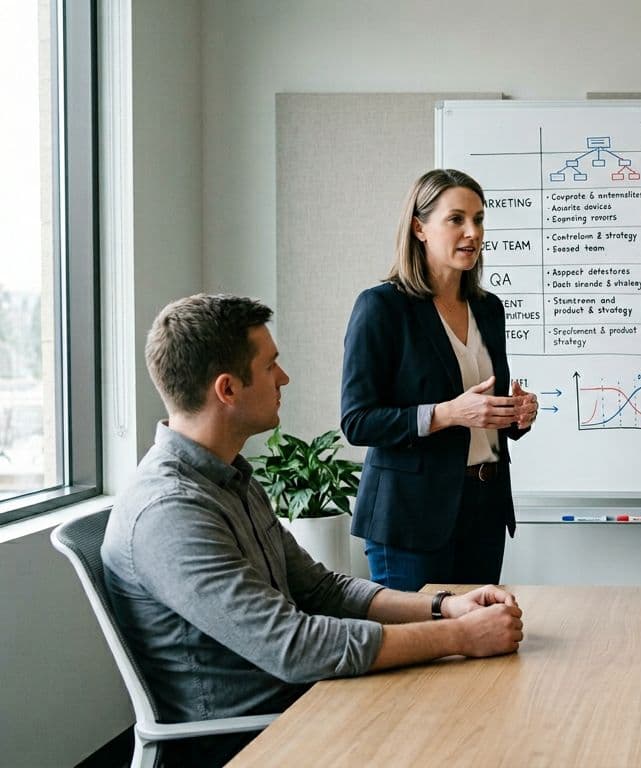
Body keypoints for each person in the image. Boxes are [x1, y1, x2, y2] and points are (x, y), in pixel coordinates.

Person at [103, 294, 524, 767]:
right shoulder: (170, 512)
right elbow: (296, 647)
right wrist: (459, 637)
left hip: (308, 701)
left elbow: (321, 589)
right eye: (270, 366)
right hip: (256, 736)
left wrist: (443, 607)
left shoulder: (228, 474)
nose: (284, 377)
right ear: (227, 389)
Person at [341, 169, 539, 591]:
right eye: (456, 219)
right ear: (419, 228)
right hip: (410, 518)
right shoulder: (382, 308)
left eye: (479, 219)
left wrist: (516, 414)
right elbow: (358, 421)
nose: (473, 232)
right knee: (421, 649)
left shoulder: (489, 309)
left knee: (480, 650)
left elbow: (484, 411)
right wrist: (448, 413)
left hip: (484, 508)